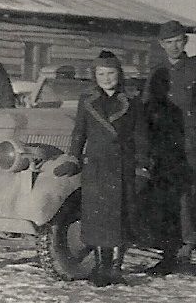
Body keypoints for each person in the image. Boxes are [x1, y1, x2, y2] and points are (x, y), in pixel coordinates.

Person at [54, 51, 150, 287]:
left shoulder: (132, 102)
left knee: (119, 219)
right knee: (97, 218)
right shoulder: (86, 102)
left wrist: (142, 165)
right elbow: (79, 133)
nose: (106, 78)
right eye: (101, 74)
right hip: (95, 166)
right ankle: (100, 268)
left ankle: (115, 270)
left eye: (111, 73)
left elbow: (141, 137)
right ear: (94, 76)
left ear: (119, 74)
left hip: (122, 166)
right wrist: (72, 158)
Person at [140, 20, 196, 275]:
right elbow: (146, 108)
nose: (174, 47)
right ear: (161, 45)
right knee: (165, 197)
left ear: (185, 42)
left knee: (185, 195)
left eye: (178, 41)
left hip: (189, 142)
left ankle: (186, 247)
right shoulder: (157, 71)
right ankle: (168, 249)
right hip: (163, 144)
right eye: (169, 42)